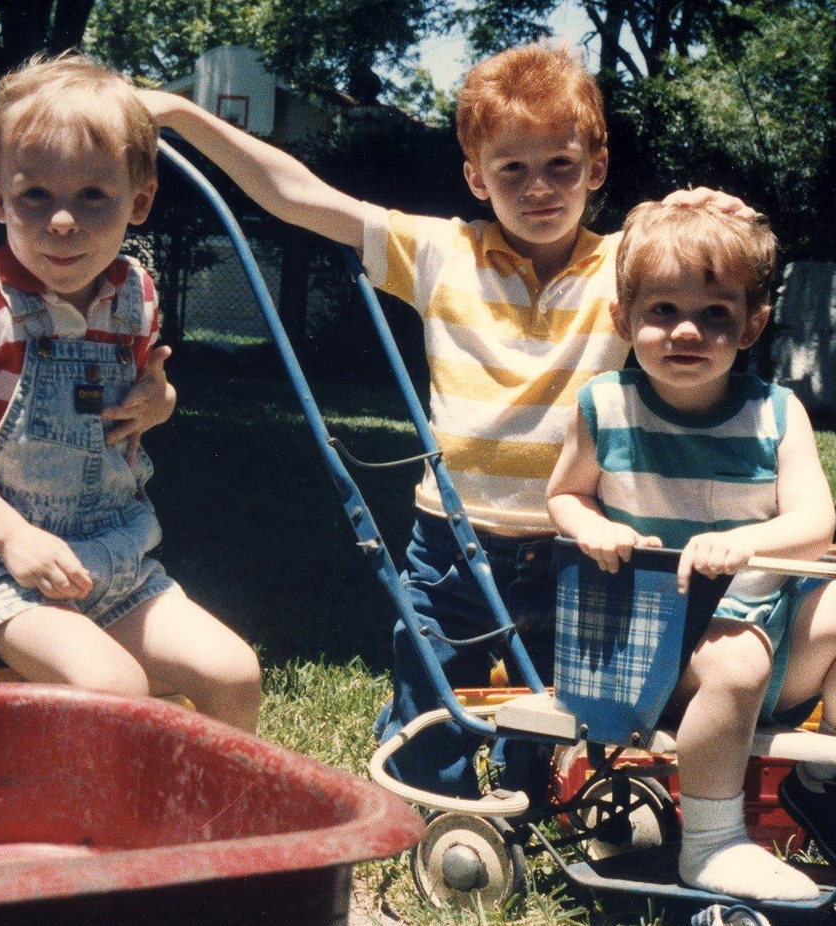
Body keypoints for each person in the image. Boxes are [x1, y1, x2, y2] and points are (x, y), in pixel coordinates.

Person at [143, 43, 751, 791]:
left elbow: (717, 259)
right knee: (428, 700)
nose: (539, 189)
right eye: (513, 170)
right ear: (476, 177)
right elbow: (295, 194)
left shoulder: (630, 269)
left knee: (564, 714)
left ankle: (531, 799)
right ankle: (425, 800)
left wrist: (711, 211)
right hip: (452, 539)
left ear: (596, 169)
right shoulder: (441, 253)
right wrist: (177, 115)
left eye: (561, 166)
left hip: (581, 542)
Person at [546, 200, 836, 899]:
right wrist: (596, 528)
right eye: (663, 310)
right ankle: (710, 843)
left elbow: (814, 521)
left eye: (715, 314)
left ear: (753, 324)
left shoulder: (775, 412)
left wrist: (744, 543)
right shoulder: (605, 406)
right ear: (623, 318)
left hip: (759, 638)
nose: (687, 331)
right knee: (737, 655)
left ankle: (825, 783)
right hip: (647, 650)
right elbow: (564, 496)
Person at [0, 54, 261, 732]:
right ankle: (106, 835)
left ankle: (209, 834)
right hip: (1, 566)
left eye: (92, 197)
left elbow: (143, 393)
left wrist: (159, 401)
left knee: (235, 673)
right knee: (116, 688)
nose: (63, 222)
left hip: (115, 557)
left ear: (139, 200)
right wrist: (12, 536)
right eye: (35, 196)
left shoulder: (134, 295)